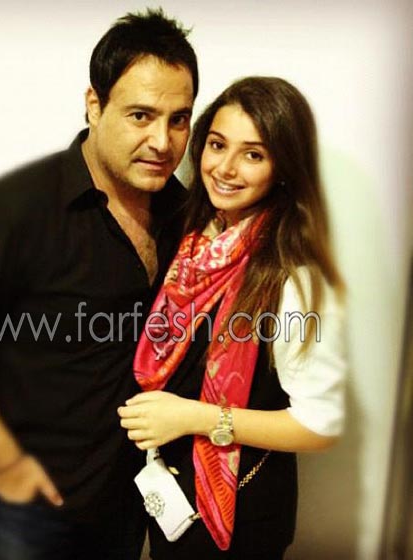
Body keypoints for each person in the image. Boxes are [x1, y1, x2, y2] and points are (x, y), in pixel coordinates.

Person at [0, 9, 198, 560]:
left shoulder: (186, 215)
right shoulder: (11, 211)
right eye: (141, 115)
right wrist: (6, 463)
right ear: (95, 105)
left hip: (130, 504)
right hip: (33, 513)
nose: (162, 141)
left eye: (178, 119)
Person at [118, 76, 346, 559]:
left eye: (253, 155)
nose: (225, 168)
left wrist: (193, 418)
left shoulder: (295, 274)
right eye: (217, 145)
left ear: (283, 167)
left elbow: (321, 425)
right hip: (172, 497)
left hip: (238, 514)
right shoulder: (193, 238)